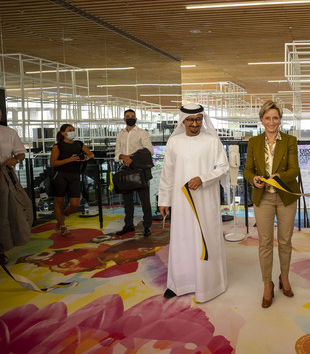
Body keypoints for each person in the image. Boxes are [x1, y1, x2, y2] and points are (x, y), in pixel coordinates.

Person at [158, 104, 229, 302]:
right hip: (181, 203)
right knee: (182, 239)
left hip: (205, 200)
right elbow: (168, 173)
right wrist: (164, 199)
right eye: (190, 120)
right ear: (183, 121)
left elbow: (223, 167)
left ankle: (209, 285)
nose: (195, 123)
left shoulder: (212, 141)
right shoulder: (174, 142)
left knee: (204, 238)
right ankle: (178, 284)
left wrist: (203, 179)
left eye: (198, 119)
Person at [243, 101, 300, 308]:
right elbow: (247, 170)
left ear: (280, 119)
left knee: (285, 240)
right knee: (265, 243)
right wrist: (253, 179)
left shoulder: (290, 141)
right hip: (263, 198)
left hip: (285, 196)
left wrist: (279, 176)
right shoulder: (254, 142)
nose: (271, 122)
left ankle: (284, 277)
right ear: (261, 120)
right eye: (267, 118)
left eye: (275, 118)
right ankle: (268, 283)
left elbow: (294, 170)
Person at [114, 109, 154, 237]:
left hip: (140, 170)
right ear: (124, 119)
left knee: (145, 200)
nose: (130, 118)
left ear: (136, 118)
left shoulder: (142, 133)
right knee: (127, 201)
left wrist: (132, 158)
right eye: (127, 116)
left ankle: (147, 226)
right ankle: (129, 225)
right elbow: (116, 153)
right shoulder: (120, 134)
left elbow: (149, 151)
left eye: (133, 116)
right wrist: (123, 157)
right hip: (126, 170)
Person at [50, 124, 94, 237]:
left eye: (73, 130)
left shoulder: (78, 144)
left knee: (75, 203)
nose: (72, 132)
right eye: (70, 130)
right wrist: (69, 160)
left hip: (74, 176)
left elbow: (90, 153)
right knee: (59, 202)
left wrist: (86, 157)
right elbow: (53, 163)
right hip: (60, 176)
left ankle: (62, 218)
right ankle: (63, 227)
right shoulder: (58, 146)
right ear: (63, 133)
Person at [0, 109, 28, 264]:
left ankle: (2, 249)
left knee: (5, 211)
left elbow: (21, 153)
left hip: (4, 177)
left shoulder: (9, 133)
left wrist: (15, 159)